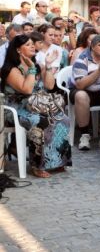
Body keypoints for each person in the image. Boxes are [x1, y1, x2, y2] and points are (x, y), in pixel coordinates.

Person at [1, 35, 71, 178]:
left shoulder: (37, 65)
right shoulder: (11, 69)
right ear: (18, 50)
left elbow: (50, 85)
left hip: (37, 106)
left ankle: (55, 161)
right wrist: (32, 69)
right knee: (41, 122)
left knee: (63, 118)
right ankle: (37, 165)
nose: (33, 46)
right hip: (16, 109)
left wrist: (49, 65)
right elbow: (26, 89)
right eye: (28, 45)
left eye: (33, 44)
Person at [70, 35, 100, 150]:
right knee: (81, 95)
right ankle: (84, 136)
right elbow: (80, 85)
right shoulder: (82, 59)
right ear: (92, 47)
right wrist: (99, 71)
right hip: (85, 90)